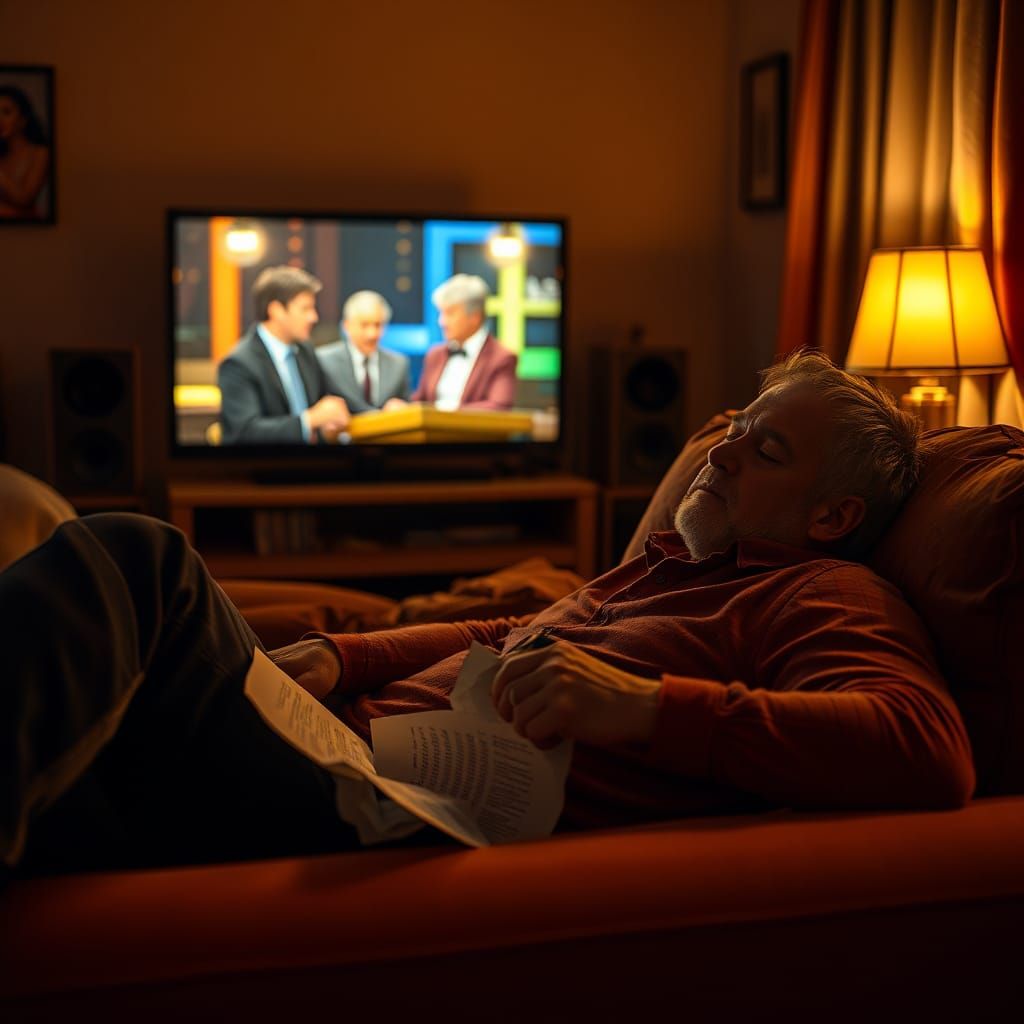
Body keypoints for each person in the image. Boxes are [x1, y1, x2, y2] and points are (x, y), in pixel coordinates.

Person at [1, 351, 974, 875]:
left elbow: (924, 745)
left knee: (140, 553)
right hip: (332, 738)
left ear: (832, 516)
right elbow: (497, 634)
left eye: (763, 454)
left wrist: (644, 705)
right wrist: (346, 655)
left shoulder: (822, 591)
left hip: (389, 804)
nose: (718, 454)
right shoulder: (670, 566)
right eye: (736, 431)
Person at [217, 266, 351, 444]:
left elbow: (328, 402)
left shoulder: (305, 351)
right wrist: (309, 420)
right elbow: (245, 432)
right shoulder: (238, 364)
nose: (314, 317)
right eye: (305, 309)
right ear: (276, 310)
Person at [407, 274, 518, 410]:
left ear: (475, 317)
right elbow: (421, 401)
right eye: (441, 313)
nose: (442, 322)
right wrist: (404, 407)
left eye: (450, 313)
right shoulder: (435, 355)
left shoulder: (502, 358)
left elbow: (499, 407)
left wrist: (442, 413)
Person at [315, 291, 411, 413]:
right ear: (346, 326)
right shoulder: (324, 361)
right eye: (364, 325)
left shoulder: (399, 364)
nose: (372, 334)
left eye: (377, 325)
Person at [0, 85, 51, 220]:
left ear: (23, 119)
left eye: (6, 112)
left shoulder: (40, 153)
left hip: (27, 233)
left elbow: (25, 198)